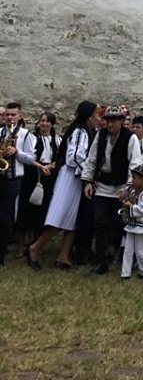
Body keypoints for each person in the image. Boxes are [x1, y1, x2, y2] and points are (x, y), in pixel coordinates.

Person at [29, 101, 100, 269]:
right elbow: (74, 157)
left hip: (78, 179)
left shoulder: (87, 131)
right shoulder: (79, 131)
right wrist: (88, 174)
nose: (99, 118)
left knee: (73, 219)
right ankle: (34, 248)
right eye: (97, 115)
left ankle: (63, 256)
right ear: (89, 116)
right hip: (70, 178)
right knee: (59, 216)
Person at [82, 104, 143, 274]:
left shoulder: (130, 138)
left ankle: (113, 251)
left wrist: (130, 188)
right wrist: (88, 181)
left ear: (122, 122)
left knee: (118, 223)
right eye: (107, 121)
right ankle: (101, 260)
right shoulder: (100, 136)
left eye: (114, 121)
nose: (110, 125)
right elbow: (92, 159)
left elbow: (135, 164)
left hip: (121, 187)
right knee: (99, 223)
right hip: (102, 186)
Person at [15, 111, 61, 252]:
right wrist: (40, 166)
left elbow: (60, 158)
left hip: (48, 178)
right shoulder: (32, 138)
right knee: (26, 209)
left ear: (52, 124)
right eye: (42, 121)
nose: (44, 124)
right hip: (32, 176)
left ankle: (34, 242)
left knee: (41, 211)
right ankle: (21, 246)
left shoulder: (57, 140)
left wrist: (50, 165)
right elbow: (28, 157)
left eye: (47, 121)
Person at [0, 102, 27, 266]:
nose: (9, 117)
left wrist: (17, 152)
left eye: (13, 115)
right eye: (7, 115)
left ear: (19, 116)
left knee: (5, 219)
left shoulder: (25, 134)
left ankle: (1, 255)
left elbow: (31, 158)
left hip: (13, 180)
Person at [119, 165, 143, 280]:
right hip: (131, 226)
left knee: (142, 252)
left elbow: (142, 210)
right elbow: (128, 195)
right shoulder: (136, 190)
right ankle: (125, 273)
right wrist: (124, 197)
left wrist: (130, 207)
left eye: (134, 178)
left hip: (142, 227)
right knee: (128, 250)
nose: (132, 181)